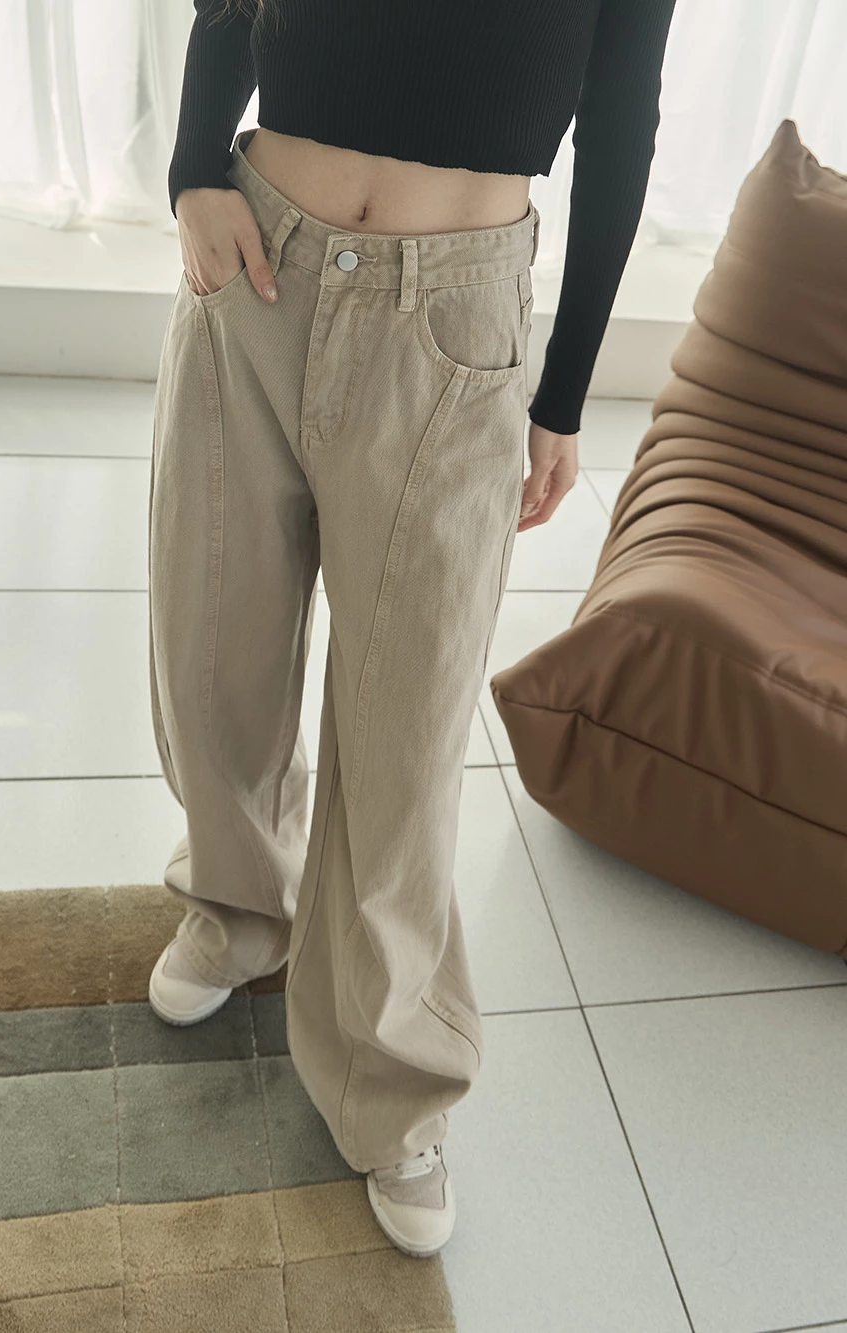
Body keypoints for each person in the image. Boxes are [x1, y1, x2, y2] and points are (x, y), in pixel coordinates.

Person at [146, 0, 678, 1259]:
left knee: (406, 728)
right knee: (212, 653)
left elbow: (622, 121)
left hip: (452, 318)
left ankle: (393, 1076)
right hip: (255, 262)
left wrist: (561, 395)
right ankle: (237, 902)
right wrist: (190, 171)